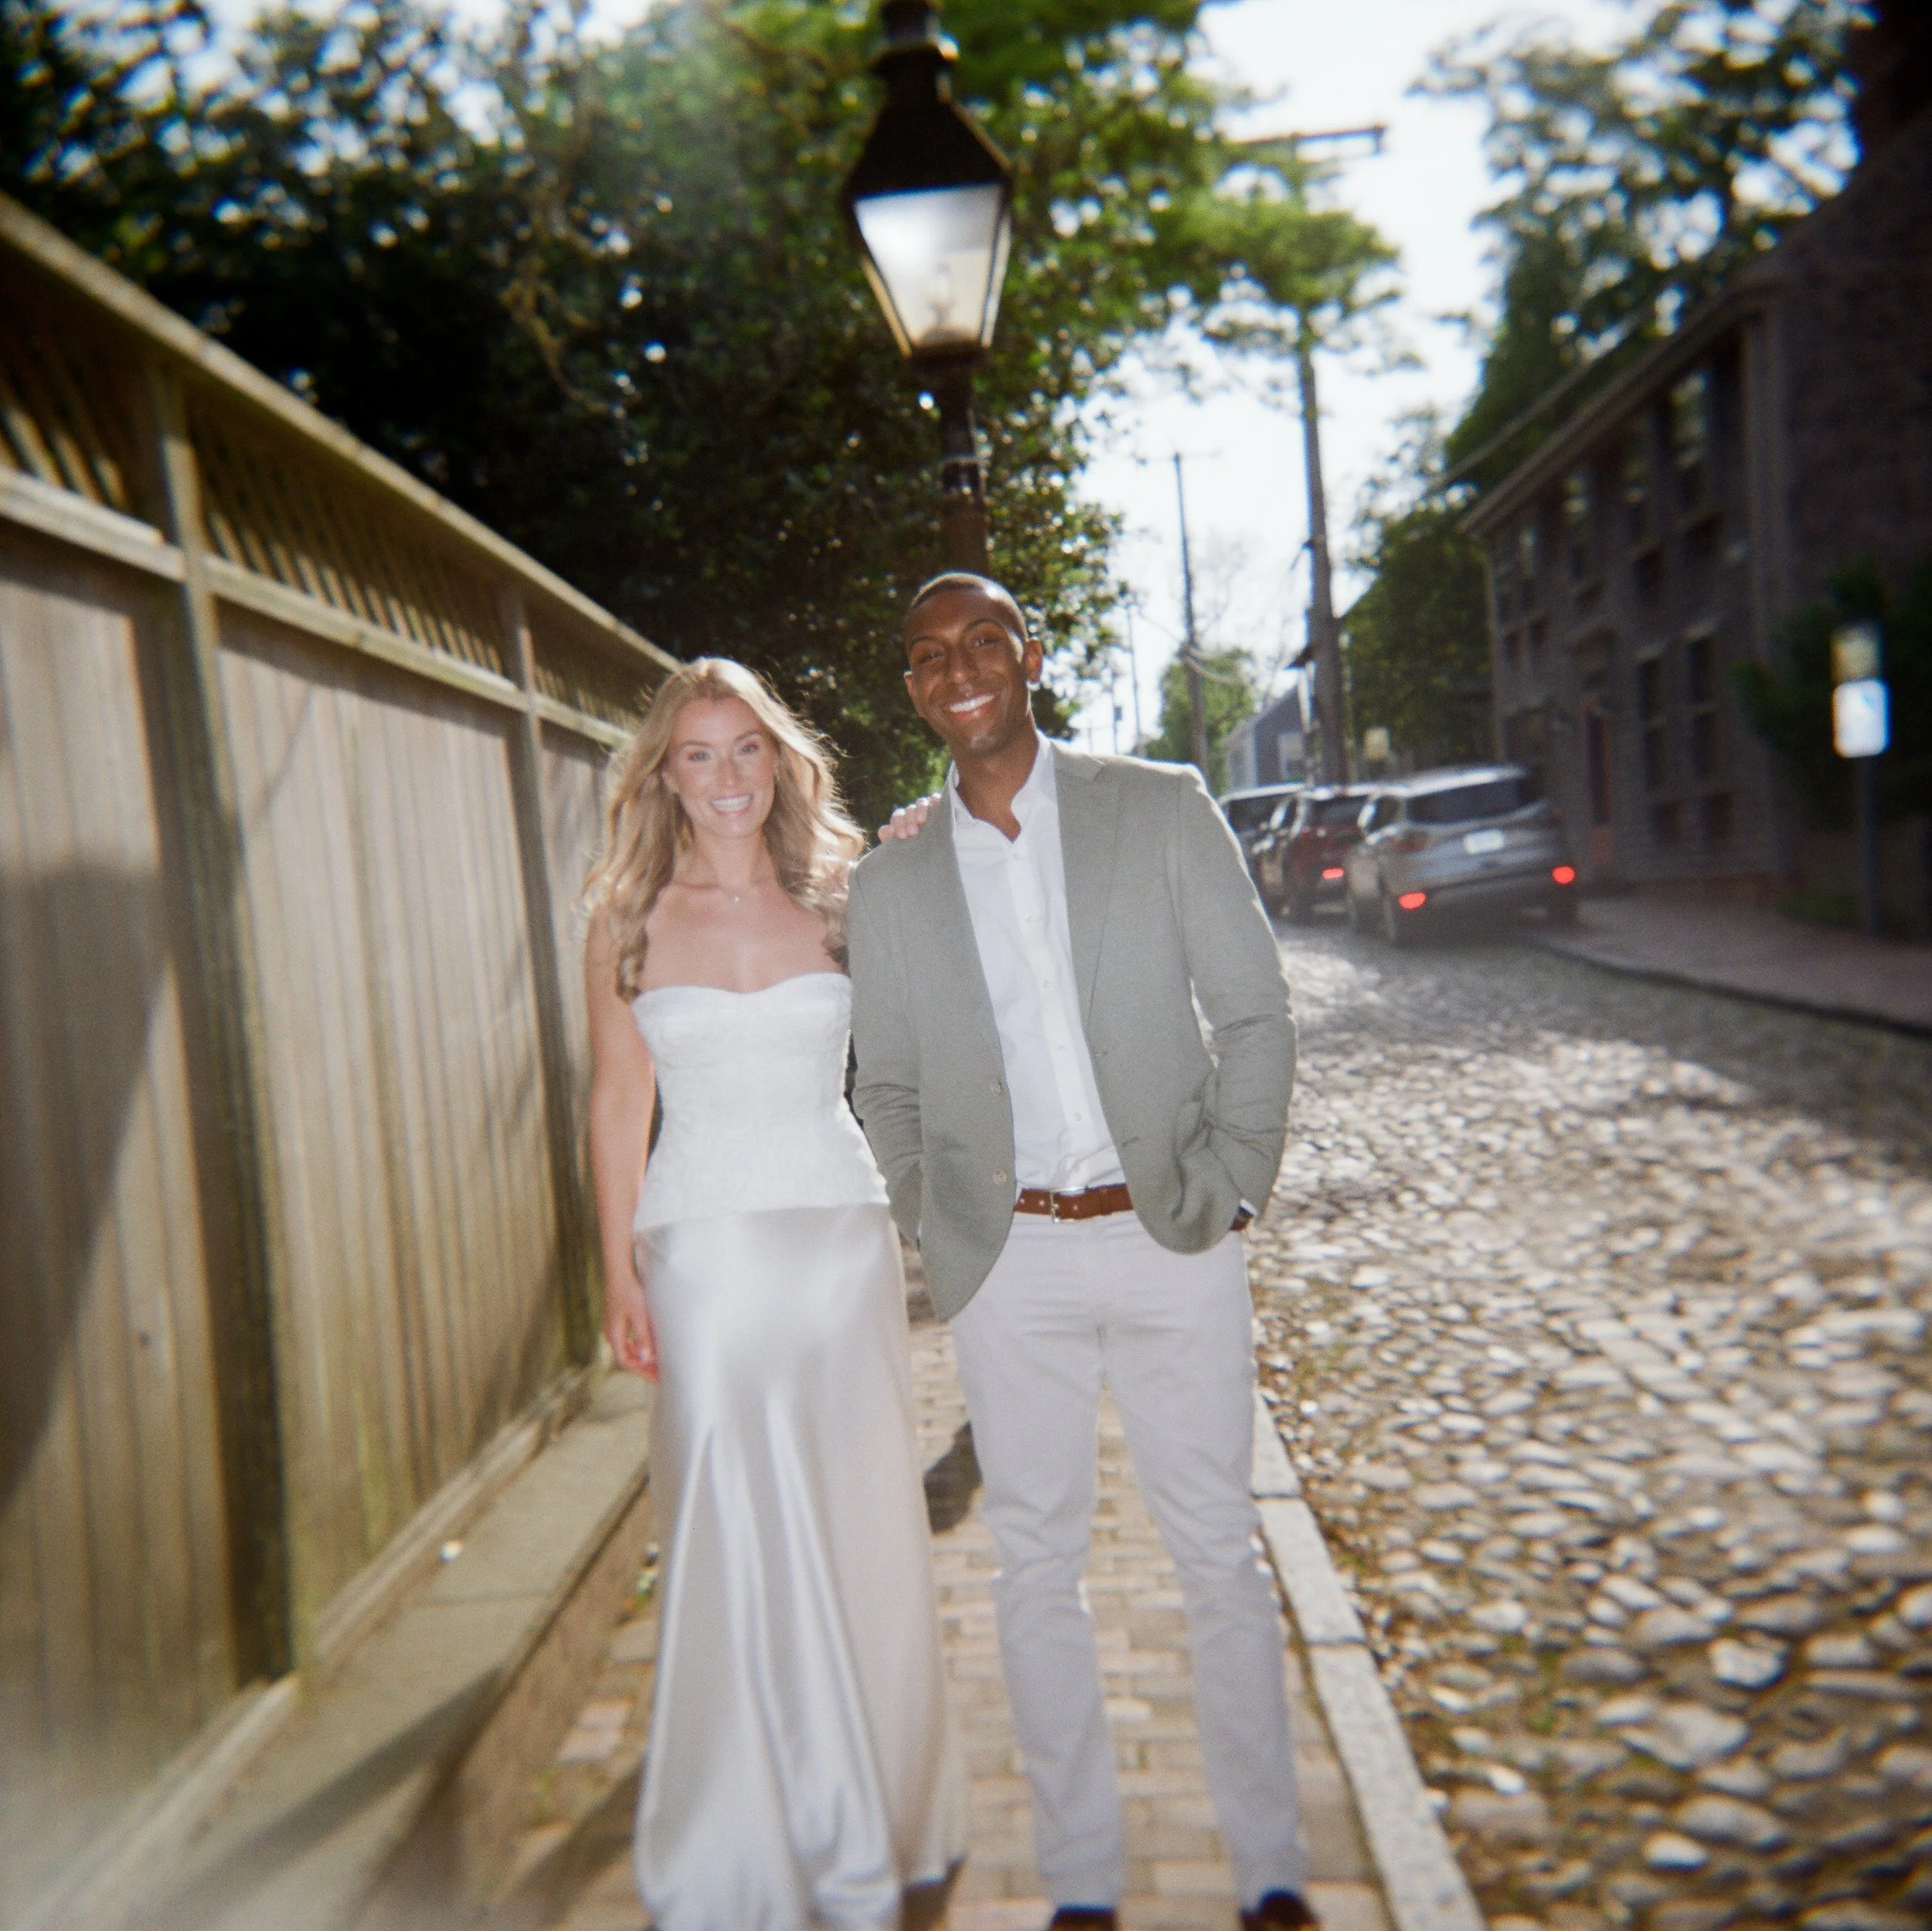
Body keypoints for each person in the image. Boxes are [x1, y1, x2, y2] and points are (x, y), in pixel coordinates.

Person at [848, 575, 1318, 1931]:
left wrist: (1235, 1181)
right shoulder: (894, 875)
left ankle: (1272, 1871)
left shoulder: (1158, 806)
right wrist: (934, 1218)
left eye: (983, 641)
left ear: (1031, 655)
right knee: (1035, 1569)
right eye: (928, 655)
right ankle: (1083, 1884)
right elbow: (885, 1083)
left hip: (1173, 1235)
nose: (959, 670)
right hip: (1013, 1264)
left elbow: (1255, 1011)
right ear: (913, 687)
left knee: (1218, 1552)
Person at [583, 658, 966, 1931]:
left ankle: (878, 1807)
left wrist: (932, 844)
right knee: (730, 1522)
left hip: (839, 1247)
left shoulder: (846, 896)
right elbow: (617, 1102)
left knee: (856, 1519)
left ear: (780, 760)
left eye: (747, 747)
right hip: (699, 1256)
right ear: (664, 773)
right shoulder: (624, 918)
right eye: (699, 753)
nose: (727, 776)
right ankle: (742, 1830)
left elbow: (956, 980)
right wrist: (616, 1265)